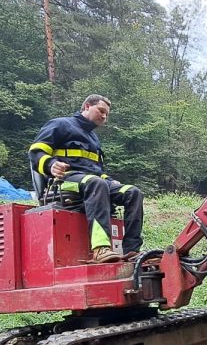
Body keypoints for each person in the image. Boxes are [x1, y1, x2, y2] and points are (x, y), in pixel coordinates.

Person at [28, 94, 143, 264]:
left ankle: (132, 251)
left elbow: (95, 170)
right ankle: (100, 249)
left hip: (91, 182)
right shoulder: (61, 124)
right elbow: (35, 152)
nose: (104, 116)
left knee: (133, 192)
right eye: (101, 111)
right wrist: (51, 164)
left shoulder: (93, 139)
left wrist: (110, 180)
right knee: (96, 183)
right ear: (87, 106)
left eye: (107, 114)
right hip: (63, 182)